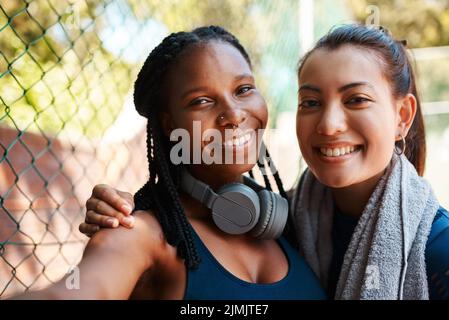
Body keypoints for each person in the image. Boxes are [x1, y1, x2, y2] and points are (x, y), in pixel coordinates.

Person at [82, 24, 449, 300]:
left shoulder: (436, 247)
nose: (329, 125)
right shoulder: (297, 219)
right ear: (168, 124)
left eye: (356, 100)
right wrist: (122, 213)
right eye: (310, 102)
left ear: (403, 117)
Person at [14, 26, 326, 300]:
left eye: (243, 89)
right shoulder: (139, 233)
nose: (234, 114)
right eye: (201, 101)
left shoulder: (292, 218)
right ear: (168, 125)